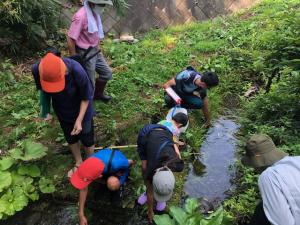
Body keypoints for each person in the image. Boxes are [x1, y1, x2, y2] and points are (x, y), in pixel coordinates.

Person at [32, 49, 95, 172]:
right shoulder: (37, 70)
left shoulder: (76, 70)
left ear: (64, 71)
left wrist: (79, 119)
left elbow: (86, 97)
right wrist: (45, 111)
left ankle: (90, 161)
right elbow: (43, 91)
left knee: (87, 138)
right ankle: (78, 160)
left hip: (82, 107)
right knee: (70, 136)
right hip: (62, 108)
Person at [241, 134, 300, 225]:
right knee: (261, 207)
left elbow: (283, 222)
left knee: (261, 211)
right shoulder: (297, 160)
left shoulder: (269, 176)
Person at [136, 121, 185, 222]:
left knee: (163, 181)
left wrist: (175, 145)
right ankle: (145, 193)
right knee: (144, 165)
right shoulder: (151, 170)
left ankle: (162, 190)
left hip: (165, 132)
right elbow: (151, 191)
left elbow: (174, 145)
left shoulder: (178, 164)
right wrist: (150, 212)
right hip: (146, 134)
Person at [70, 148, 134, 225]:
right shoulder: (86, 165)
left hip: (116, 166)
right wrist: (81, 215)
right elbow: (83, 189)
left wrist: (121, 179)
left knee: (112, 184)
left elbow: (130, 162)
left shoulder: (116, 163)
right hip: (104, 167)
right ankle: (104, 183)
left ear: (99, 176)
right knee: (106, 184)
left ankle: (117, 187)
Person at [67, 0, 113, 102]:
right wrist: (74, 59)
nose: (103, 7)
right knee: (89, 81)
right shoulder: (80, 16)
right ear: (92, 3)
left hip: (94, 50)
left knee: (107, 73)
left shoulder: (94, 13)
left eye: (104, 5)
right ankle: (87, 106)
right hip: (84, 53)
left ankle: (98, 94)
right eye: (101, 5)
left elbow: (95, 32)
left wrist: (98, 47)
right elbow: (70, 39)